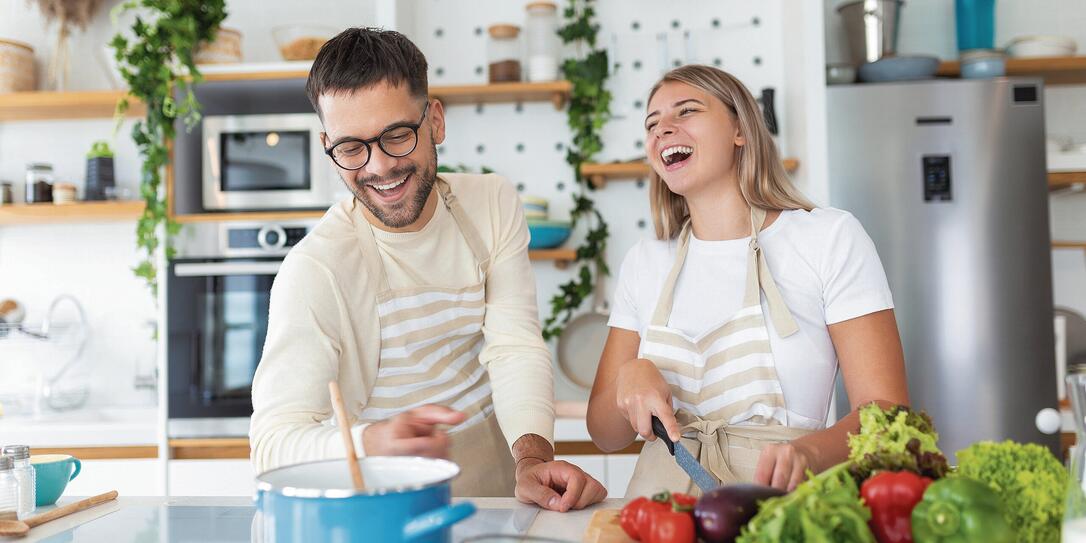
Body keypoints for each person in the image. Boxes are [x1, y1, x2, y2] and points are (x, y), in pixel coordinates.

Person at [250, 27, 606, 511]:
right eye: (351, 148)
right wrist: (370, 441)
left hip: (498, 469)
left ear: (434, 121)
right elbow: (271, 444)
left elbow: (514, 346)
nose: (378, 167)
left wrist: (531, 458)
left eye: (397, 135)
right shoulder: (315, 269)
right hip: (384, 495)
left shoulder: (491, 203)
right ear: (326, 144)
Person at [587, 64, 909, 495]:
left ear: (740, 130)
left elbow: (886, 412)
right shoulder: (645, 262)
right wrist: (629, 376)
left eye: (685, 111)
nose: (663, 128)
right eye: (652, 122)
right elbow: (605, 435)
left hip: (783, 508)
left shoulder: (827, 237)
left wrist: (811, 453)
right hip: (660, 516)